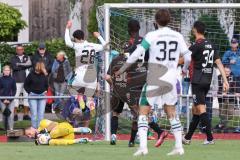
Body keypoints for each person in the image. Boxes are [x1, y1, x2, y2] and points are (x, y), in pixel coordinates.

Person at [116, 9, 191, 156]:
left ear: (156, 21)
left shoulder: (151, 35)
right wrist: (184, 70)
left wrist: (122, 69)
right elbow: (188, 57)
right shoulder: (177, 35)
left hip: (155, 76)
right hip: (171, 77)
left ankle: (143, 147)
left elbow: (137, 54)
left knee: (143, 111)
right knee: (172, 113)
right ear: (169, 20)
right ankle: (178, 146)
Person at [106, 19, 167, 148]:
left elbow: (123, 64)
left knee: (135, 112)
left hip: (130, 82)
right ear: (139, 28)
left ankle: (159, 131)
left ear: (128, 30)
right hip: (144, 79)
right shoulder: (146, 42)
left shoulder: (128, 46)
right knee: (138, 113)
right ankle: (132, 140)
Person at [182, 21, 229, 146]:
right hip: (207, 81)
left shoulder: (196, 45)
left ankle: (209, 137)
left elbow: (183, 59)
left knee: (201, 109)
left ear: (195, 30)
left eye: (193, 29)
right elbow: (219, 64)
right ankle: (187, 138)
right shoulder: (212, 45)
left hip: (197, 81)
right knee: (196, 110)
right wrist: (225, 81)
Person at [65, 20, 107, 111]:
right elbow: (105, 46)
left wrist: (67, 28)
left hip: (80, 75)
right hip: (92, 76)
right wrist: (99, 36)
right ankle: (91, 104)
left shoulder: (77, 46)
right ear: (83, 37)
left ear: (76, 38)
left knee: (71, 87)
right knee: (89, 98)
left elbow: (67, 43)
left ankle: (79, 98)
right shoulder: (93, 45)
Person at [24, 119, 91, 145]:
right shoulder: (38, 141)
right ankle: (78, 141)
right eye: (28, 136)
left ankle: (78, 129)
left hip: (65, 128)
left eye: (29, 134)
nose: (30, 136)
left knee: (52, 134)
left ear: (32, 128)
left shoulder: (42, 123)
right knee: (51, 142)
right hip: (67, 138)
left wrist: (44, 131)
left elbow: (55, 124)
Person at [24, 62, 49, 129]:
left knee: (41, 115)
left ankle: (40, 130)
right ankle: (34, 129)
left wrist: (45, 90)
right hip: (32, 96)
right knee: (34, 114)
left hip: (42, 96)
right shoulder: (31, 74)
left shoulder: (44, 75)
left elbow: (47, 84)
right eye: (42, 67)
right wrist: (29, 92)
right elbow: (25, 84)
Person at [10, 44, 31, 121]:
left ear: (23, 50)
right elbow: (14, 67)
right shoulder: (13, 58)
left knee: (26, 98)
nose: (19, 51)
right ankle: (15, 115)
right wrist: (25, 65)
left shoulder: (27, 57)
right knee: (16, 98)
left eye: (21, 49)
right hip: (16, 80)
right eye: (18, 49)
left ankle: (26, 115)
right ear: (16, 50)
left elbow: (30, 65)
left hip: (26, 81)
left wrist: (20, 65)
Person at [215, 66, 240, 130]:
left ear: (230, 71)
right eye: (225, 71)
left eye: (228, 71)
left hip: (231, 98)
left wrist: (236, 92)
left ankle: (220, 125)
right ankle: (223, 128)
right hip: (221, 99)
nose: (226, 73)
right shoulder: (219, 77)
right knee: (222, 114)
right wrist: (221, 93)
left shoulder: (233, 77)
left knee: (231, 113)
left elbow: (236, 87)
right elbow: (216, 87)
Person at [0, 65, 17, 130]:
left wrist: (10, 99)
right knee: (4, 114)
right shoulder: (0, 79)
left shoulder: (12, 79)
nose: (7, 72)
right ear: (3, 71)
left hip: (11, 100)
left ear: (10, 71)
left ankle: (11, 129)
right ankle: (5, 128)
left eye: (8, 70)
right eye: (5, 70)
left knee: (11, 114)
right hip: (2, 100)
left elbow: (14, 90)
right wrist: (3, 100)